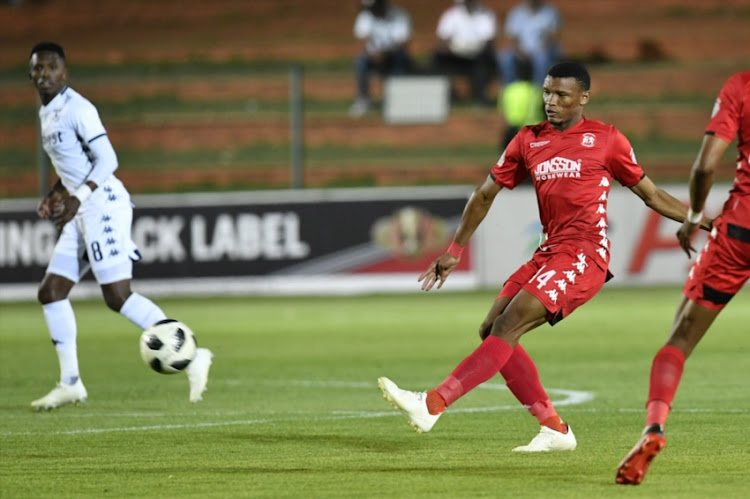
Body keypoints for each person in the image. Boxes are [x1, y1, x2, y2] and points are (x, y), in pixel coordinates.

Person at [377, 61, 712, 452]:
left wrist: (703, 220)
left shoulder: (607, 140)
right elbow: (485, 194)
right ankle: (554, 429)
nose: (550, 102)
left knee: (509, 325)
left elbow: (652, 195)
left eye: (561, 95)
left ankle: (431, 404)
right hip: (549, 250)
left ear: (584, 97)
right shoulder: (527, 140)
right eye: (547, 93)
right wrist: (454, 250)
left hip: (585, 255)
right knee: (492, 330)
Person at [27, 42, 214, 410]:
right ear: (30, 74)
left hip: (103, 205)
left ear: (65, 73)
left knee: (117, 296)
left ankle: (193, 356)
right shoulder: (46, 112)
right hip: (82, 207)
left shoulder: (78, 108)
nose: (44, 74)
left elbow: (108, 159)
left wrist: (79, 195)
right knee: (51, 292)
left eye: (51, 68)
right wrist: (55, 192)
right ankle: (71, 384)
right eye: (37, 69)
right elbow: (73, 164)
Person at [615, 70, 750, 485]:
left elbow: (706, 165)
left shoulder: (741, 87)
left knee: (679, 340)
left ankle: (653, 429)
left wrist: (693, 216)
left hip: (740, 231)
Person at [349, 0, 412, 119]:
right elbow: (362, 42)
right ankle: (363, 100)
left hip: (394, 55)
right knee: (360, 61)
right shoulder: (365, 16)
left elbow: (402, 43)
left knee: (401, 61)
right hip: (371, 56)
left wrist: (385, 54)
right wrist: (372, 55)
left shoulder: (399, 15)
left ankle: (395, 100)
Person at [431, 0, 498, 107]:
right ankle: (448, 96)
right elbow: (442, 39)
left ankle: (480, 97)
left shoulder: (485, 14)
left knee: (486, 58)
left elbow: (488, 40)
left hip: (478, 55)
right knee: (438, 57)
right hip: (455, 55)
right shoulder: (451, 14)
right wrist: (450, 48)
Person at [498, 0, 563, 86]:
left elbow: (553, 37)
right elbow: (512, 38)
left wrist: (537, 51)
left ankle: (539, 90)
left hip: (542, 50)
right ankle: (509, 89)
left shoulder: (550, 12)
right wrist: (520, 52)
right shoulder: (516, 13)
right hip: (521, 51)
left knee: (541, 58)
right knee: (505, 58)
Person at [498, 57, 544, 153]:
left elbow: (502, 110)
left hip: (511, 134)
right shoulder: (535, 91)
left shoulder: (508, 90)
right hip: (533, 134)